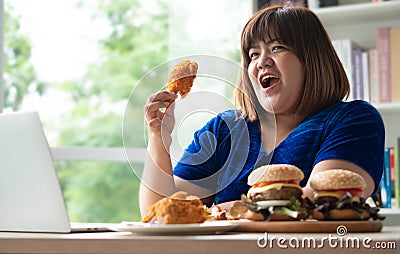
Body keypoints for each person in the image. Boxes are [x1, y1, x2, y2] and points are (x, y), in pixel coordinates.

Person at [140, 4, 385, 216]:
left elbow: (317, 203)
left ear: (312, 59)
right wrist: (158, 138)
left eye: (277, 48)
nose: (261, 61)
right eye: (253, 54)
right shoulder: (224, 129)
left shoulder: (353, 120)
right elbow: (162, 212)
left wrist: (222, 211)